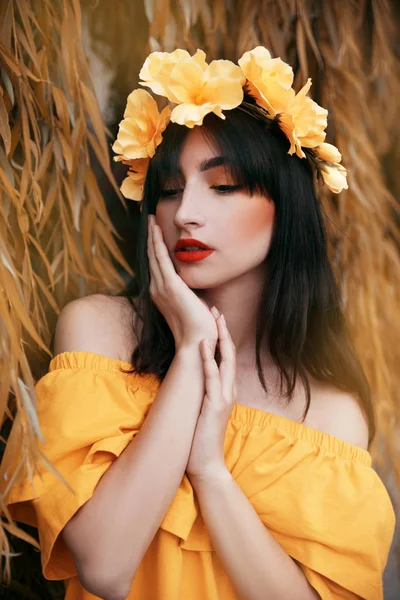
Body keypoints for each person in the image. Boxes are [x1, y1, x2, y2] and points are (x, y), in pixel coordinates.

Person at [2, 47, 395, 600]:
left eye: (223, 185)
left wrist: (210, 469)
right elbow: (106, 566)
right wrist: (190, 351)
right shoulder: (100, 334)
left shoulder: (327, 412)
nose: (185, 211)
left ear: (286, 206)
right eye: (168, 189)